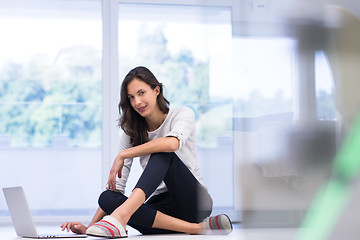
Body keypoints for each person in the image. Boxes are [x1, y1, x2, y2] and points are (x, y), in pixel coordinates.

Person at [60, 66, 232, 238]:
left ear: (156, 90)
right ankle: (196, 228)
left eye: (141, 93)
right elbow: (117, 189)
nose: (137, 102)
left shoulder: (182, 114)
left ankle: (120, 217)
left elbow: (171, 144)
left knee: (162, 152)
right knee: (107, 198)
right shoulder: (131, 131)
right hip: (162, 213)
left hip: (193, 201)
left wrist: (124, 154)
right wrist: (89, 228)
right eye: (131, 97)